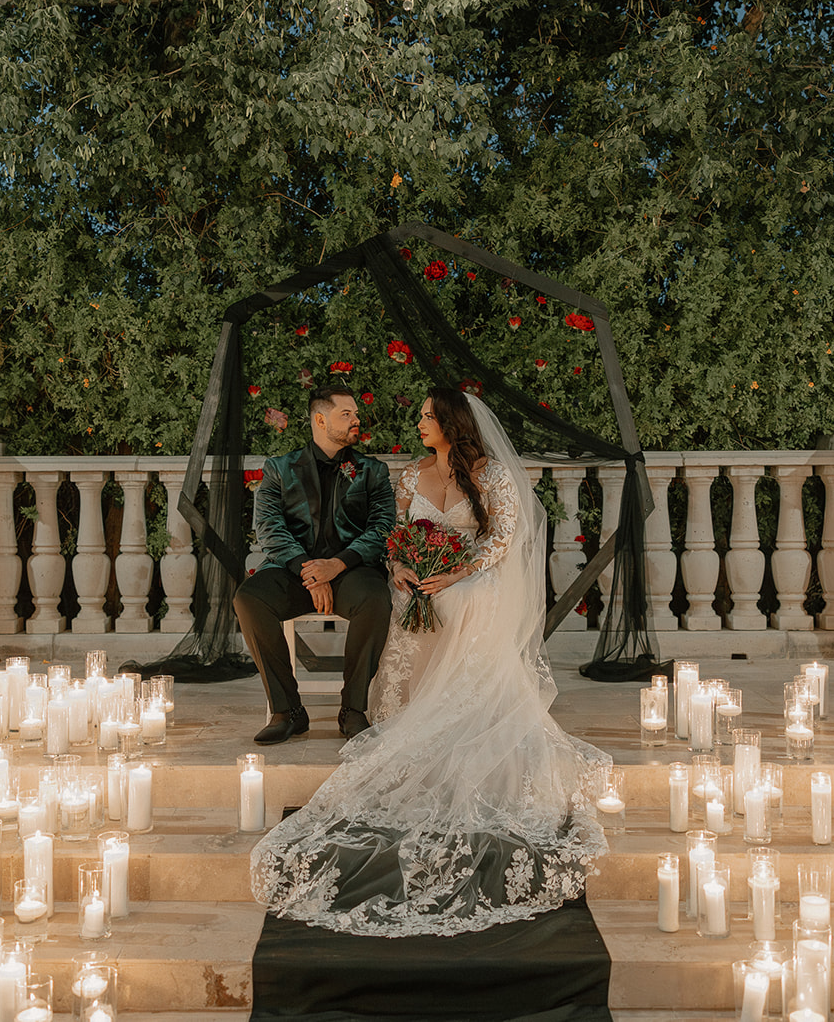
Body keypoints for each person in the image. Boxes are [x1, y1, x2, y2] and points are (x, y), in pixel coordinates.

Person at [250, 388, 612, 937]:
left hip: (470, 574)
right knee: (390, 595)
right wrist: (399, 566)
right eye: (419, 415)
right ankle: (329, 706)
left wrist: (456, 571)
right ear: (321, 418)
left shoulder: (489, 474)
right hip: (406, 573)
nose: (418, 422)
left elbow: (501, 538)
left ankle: (432, 703)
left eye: (426, 416)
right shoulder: (405, 474)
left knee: (454, 599)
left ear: (452, 422)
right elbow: (393, 536)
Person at [233, 385, 397, 744]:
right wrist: (310, 571)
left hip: (351, 572)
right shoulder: (279, 469)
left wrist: (335, 567)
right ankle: (288, 709)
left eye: (356, 413)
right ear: (320, 420)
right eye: (347, 414)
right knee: (249, 598)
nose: (356, 420)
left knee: (376, 599)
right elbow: (269, 529)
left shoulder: (372, 472)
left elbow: (382, 529)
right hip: (293, 571)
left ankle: (353, 708)